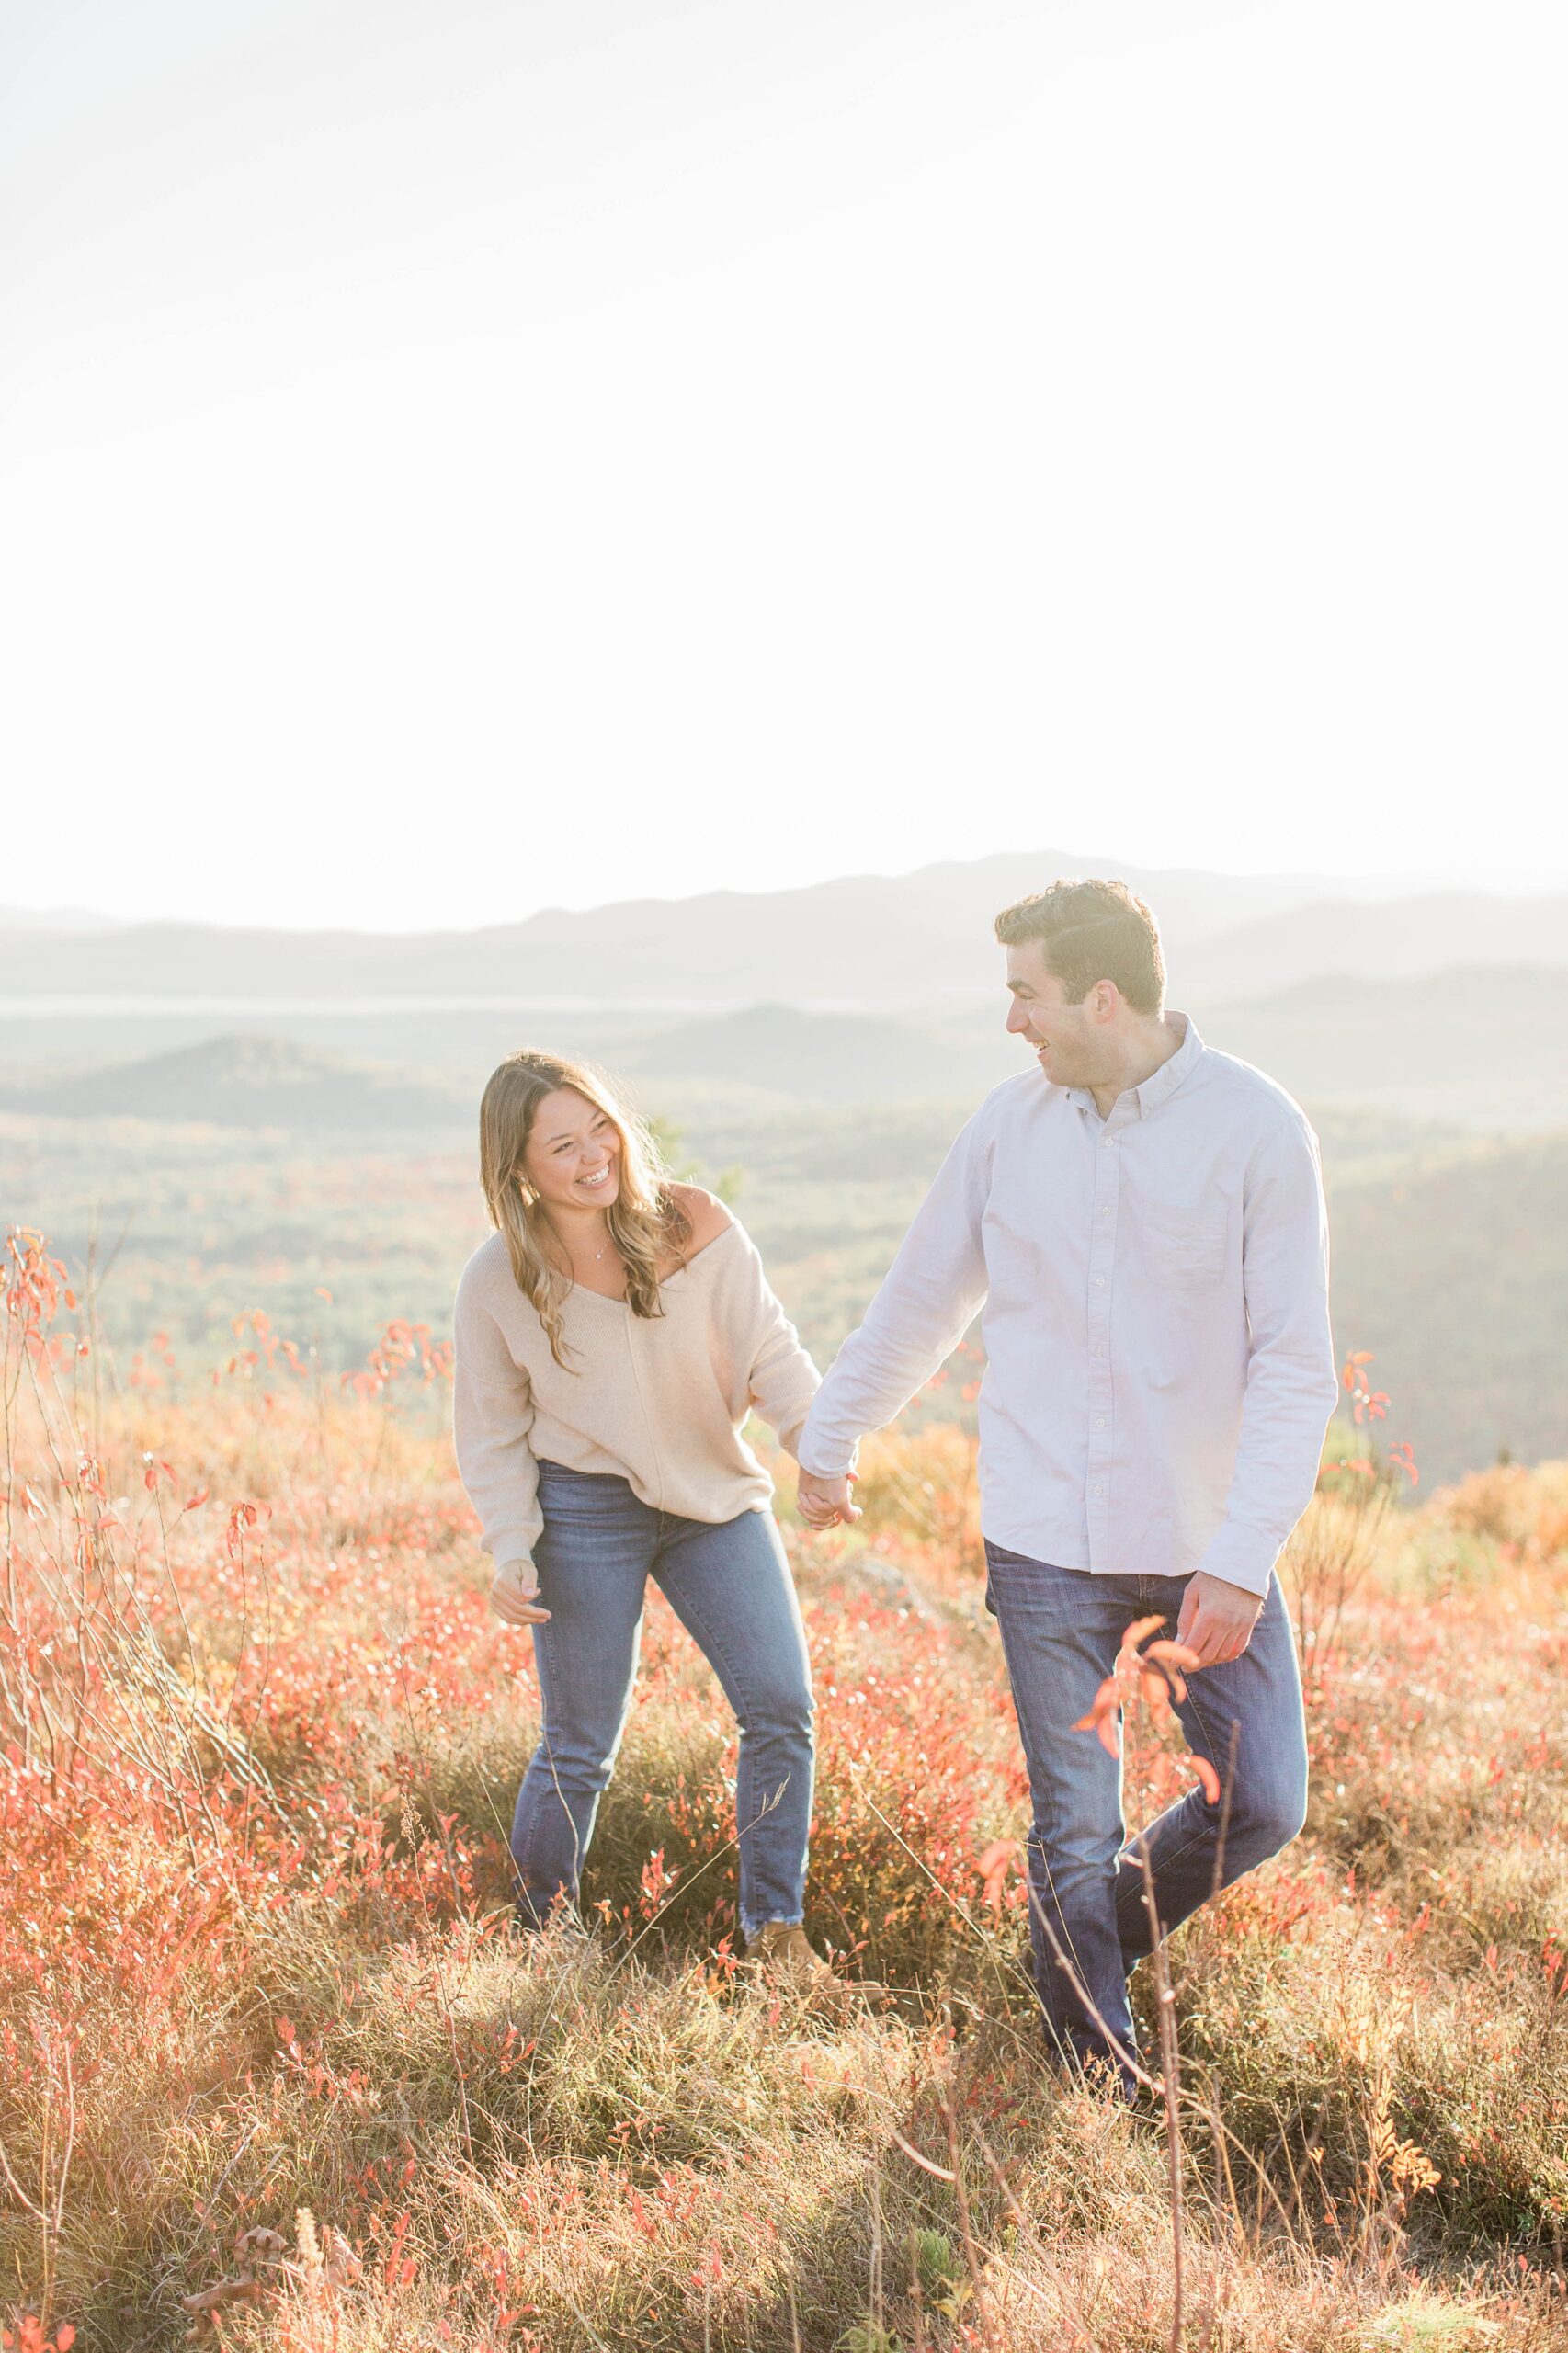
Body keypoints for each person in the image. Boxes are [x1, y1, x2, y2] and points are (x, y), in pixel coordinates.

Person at [795, 879, 1339, 2089]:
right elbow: (922, 1297)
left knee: (1260, 1802)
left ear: (1102, 998)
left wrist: (1240, 1560)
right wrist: (831, 1437)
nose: (1011, 1023)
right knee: (1072, 1825)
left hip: (1204, 1539)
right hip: (1042, 1539)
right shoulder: (1005, 1129)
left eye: (1023, 996)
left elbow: (1294, 1369)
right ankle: (1100, 2086)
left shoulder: (1254, 1128)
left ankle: (1070, 1946)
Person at [452, 1048, 836, 1985]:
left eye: (601, 1131)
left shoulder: (693, 1220)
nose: (595, 1158)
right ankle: (545, 1938)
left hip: (713, 1500)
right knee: (578, 1742)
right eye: (563, 1146)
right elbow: (490, 1428)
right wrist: (511, 1545)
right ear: (517, 1169)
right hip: (583, 1508)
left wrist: (818, 1449)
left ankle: (772, 1939)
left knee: (780, 1708)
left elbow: (769, 1348)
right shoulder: (499, 1277)